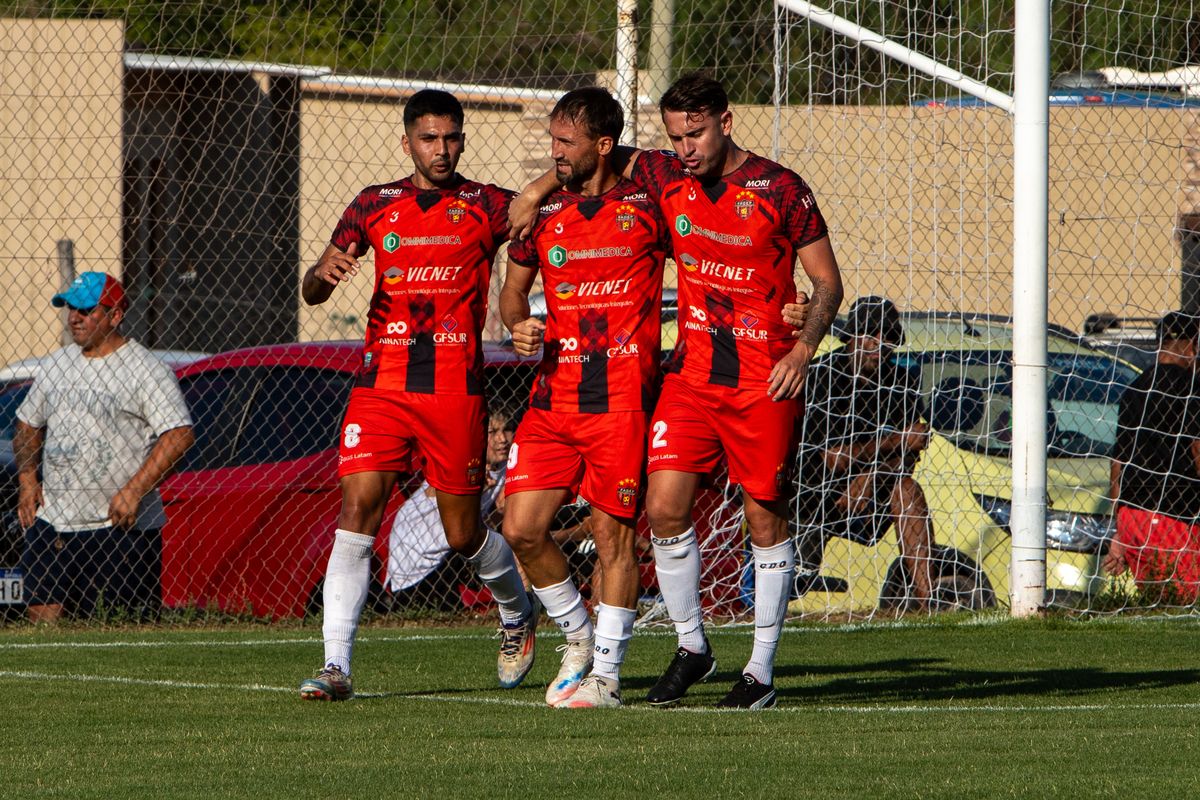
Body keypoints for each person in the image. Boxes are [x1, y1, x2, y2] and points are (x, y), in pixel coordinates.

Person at [512, 73, 838, 709]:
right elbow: (593, 154)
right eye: (676, 136)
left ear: (727, 120)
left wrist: (804, 346)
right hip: (689, 376)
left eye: (696, 133)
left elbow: (826, 282)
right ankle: (692, 645)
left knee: (764, 516)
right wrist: (537, 186)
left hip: (764, 375)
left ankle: (761, 672)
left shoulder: (781, 188)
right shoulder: (667, 179)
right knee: (662, 510)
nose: (686, 148)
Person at [298, 89, 535, 702]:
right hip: (382, 385)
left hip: (454, 389)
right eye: (429, 138)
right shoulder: (373, 206)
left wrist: (535, 196)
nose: (441, 149)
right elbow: (314, 289)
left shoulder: (486, 206)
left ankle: (516, 613)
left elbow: (548, 211)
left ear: (462, 139)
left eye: (451, 137)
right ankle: (335, 665)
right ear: (407, 142)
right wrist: (319, 276)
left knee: (462, 533)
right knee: (357, 513)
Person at [500, 86, 670, 708]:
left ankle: (607, 674)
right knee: (520, 528)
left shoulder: (648, 203)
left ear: (604, 146)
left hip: (620, 400)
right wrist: (518, 323)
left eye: (565, 144)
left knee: (612, 538)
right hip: (552, 398)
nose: (554, 154)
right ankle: (576, 634)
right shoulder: (541, 216)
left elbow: (702, 252)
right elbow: (513, 293)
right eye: (551, 142)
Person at [13, 272, 195, 623]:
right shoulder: (57, 365)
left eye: (85, 309)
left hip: (119, 527)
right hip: (54, 520)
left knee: (116, 626)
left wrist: (134, 491)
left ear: (115, 315)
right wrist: (26, 480)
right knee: (42, 622)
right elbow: (27, 423)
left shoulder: (145, 370)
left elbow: (178, 434)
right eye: (71, 309)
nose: (74, 318)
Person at [795, 296, 933, 609]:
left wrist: (875, 474)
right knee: (796, 583)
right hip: (815, 496)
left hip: (872, 490)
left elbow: (912, 450)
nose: (879, 345)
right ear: (852, 336)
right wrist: (892, 443)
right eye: (871, 336)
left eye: (887, 338)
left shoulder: (900, 380)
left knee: (909, 490)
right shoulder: (823, 376)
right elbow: (832, 456)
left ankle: (928, 600)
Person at [1103, 310, 1200, 603]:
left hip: (1133, 518)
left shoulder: (1134, 389)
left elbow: (1119, 463)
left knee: (1158, 604)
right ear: (1190, 344)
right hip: (1174, 517)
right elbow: (1197, 450)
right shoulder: (1191, 389)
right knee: (1186, 604)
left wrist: (1119, 531)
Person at [386, 407, 517, 611]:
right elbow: (434, 492)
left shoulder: (505, 466)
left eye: (507, 429)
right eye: (493, 432)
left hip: (451, 553)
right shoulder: (467, 459)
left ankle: (521, 603)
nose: (502, 439)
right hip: (417, 558)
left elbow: (495, 516)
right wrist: (469, 485)